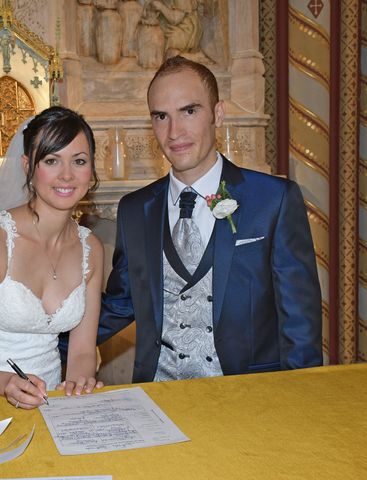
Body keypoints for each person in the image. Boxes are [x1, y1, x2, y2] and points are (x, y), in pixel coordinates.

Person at [98, 56, 322, 383]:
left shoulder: (274, 200)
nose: (174, 132)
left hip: (249, 399)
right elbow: (119, 304)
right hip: (159, 399)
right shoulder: (135, 208)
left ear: (218, 114)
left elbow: (299, 324)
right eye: (161, 116)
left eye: (189, 111)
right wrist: (41, 347)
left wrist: (298, 403)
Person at [0, 106, 105, 409]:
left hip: (48, 402)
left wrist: (79, 383)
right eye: (51, 160)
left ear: (91, 170)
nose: (67, 174)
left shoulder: (91, 249)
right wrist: (6, 384)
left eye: (79, 161)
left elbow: (82, 353)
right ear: (28, 166)